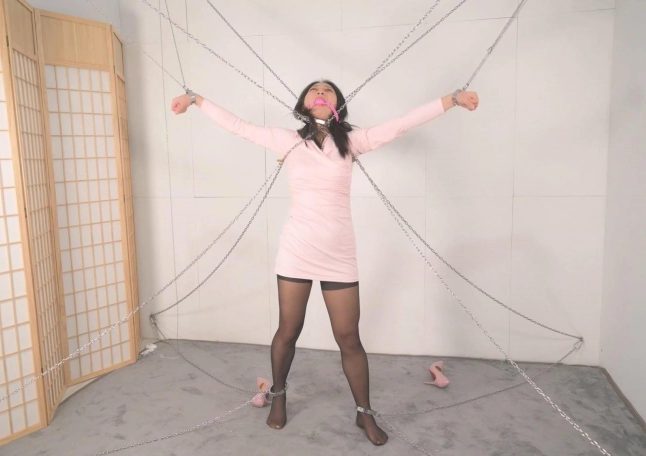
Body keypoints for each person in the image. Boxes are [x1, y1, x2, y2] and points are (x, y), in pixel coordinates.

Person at [171, 81, 478, 445]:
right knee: (289, 329)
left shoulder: (353, 142)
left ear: (338, 104)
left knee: (349, 337)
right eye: (314, 89)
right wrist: (195, 99)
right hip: (296, 251)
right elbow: (239, 126)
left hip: (339, 255)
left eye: (328, 90)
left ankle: (364, 412)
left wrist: (452, 100)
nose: (320, 92)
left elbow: (401, 124)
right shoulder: (288, 141)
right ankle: (279, 396)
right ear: (303, 103)